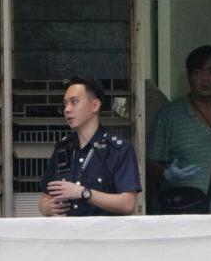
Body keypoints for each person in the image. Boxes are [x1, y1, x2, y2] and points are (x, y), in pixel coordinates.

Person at [147, 45, 211, 214]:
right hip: (180, 216)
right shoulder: (168, 116)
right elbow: (149, 165)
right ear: (189, 77)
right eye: (197, 72)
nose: (205, 78)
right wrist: (166, 173)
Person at [39, 76, 141, 216]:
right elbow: (45, 196)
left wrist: (83, 193)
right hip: (68, 234)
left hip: (104, 235)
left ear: (95, 105)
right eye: (65, 104)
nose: (67, 109)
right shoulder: (63, 147)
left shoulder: (118, 149)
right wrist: (47, 208)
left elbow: (128, 203)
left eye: (74, 102)